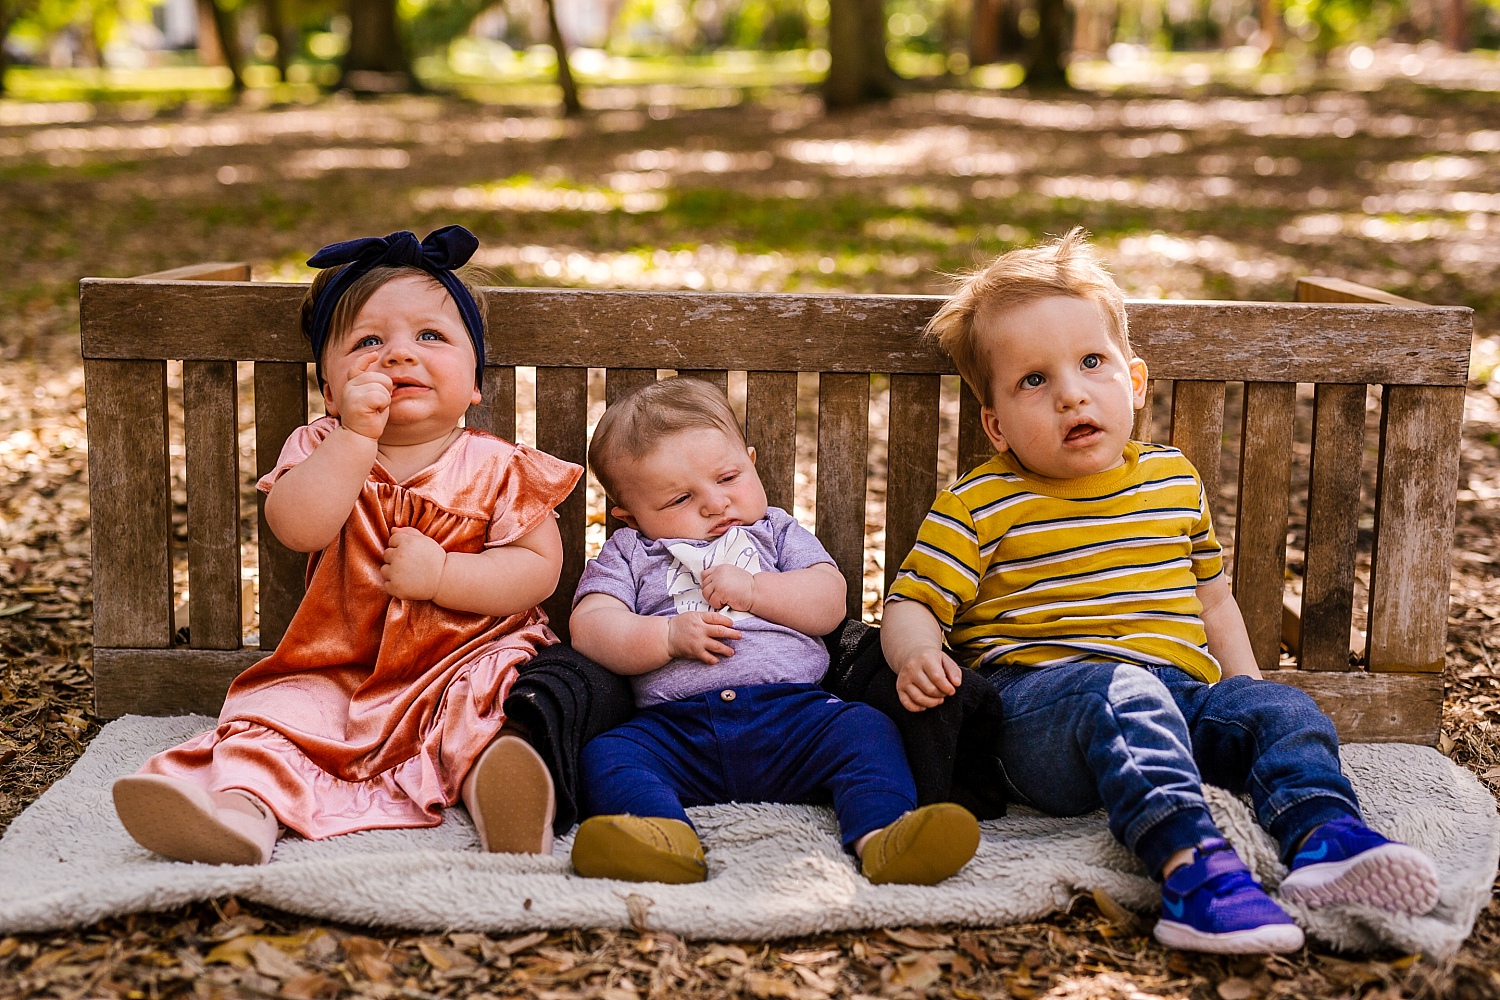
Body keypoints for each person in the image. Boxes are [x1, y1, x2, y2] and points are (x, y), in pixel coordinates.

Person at [881, 229, 1440, 953]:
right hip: (1045, 716)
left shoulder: (1171, 481)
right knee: (1118, 692)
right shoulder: (980, 502)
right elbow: (912, 602)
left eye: (1090, 363)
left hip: (1177, 698)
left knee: (1278, 706)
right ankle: (1195, 875)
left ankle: (1327, 838)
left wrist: (1244, 698)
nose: (1072, 393)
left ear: (1134, 382)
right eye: (1034, 380)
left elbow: (1214, 601)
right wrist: (917, 654)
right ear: (996, 424)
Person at [112, 226, 581, 865]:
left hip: (465, 659)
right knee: (274, 722)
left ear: (474, 383)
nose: (399, 356)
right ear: (330, 391)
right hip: (335, 667)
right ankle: (238, 819)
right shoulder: (321, 448)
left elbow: (537, 572)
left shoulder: (500, 467)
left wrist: (444, 575)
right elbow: (297, 528)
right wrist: (356, 438)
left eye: (431, 336)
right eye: (368, 342)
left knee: (492, 712)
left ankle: (504, 799)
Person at [567, 378, 980, 885]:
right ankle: (659, 837)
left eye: (728, 477)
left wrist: (756, 591)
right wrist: (667, 638)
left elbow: (829, 602)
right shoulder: (630, 553)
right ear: (630, 516)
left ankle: (886, 837)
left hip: (797, 717)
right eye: (679, 498)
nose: (715, 503)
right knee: (609, 755)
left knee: (868, 731)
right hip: (677, 729)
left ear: (752, 460)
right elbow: (591, 625)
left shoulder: (776, 532)